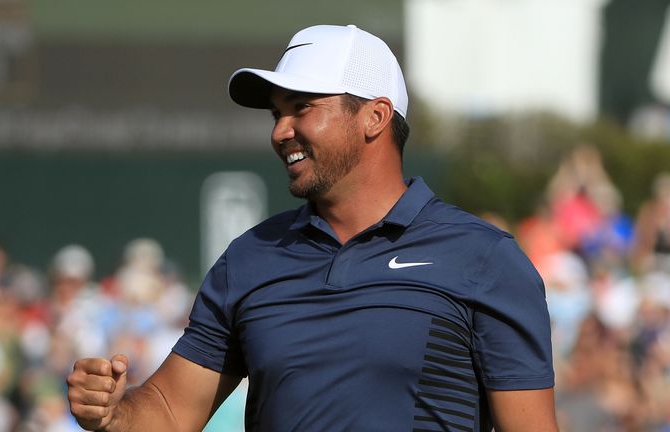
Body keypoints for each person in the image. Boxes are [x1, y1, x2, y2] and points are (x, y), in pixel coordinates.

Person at [67, 24, 558, 431]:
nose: (281, 131)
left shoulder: (485, 259)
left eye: (303, 108)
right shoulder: (249, 257)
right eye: (278, 114)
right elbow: (171, 410)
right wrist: (114, 413)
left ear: (375, 116)